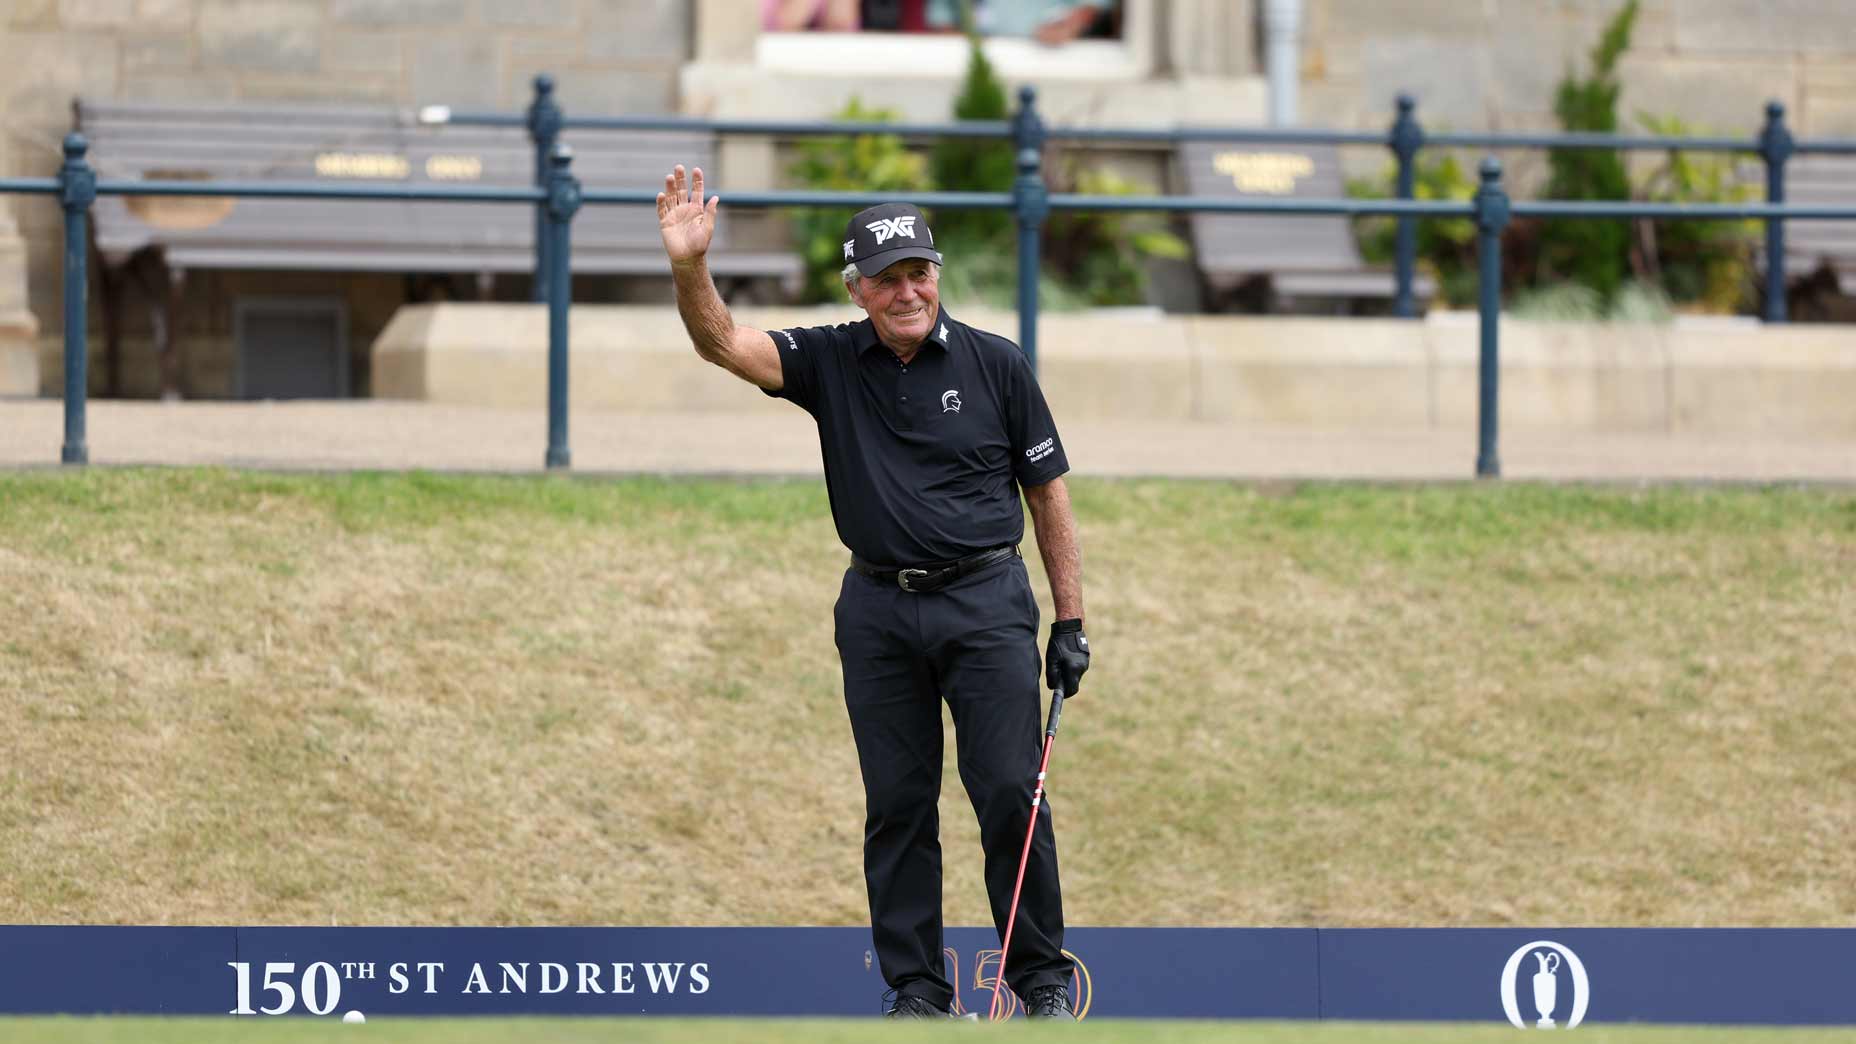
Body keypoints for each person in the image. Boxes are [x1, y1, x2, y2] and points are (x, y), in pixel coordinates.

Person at [655, 165, 1091, 1020]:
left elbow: (1050, 496)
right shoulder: (826, 360)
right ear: (857, 289)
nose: (907, 291)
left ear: (937, 274)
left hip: (987, 603)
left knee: (1009, 789)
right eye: (886, 278)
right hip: (879, 611)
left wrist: (1069, 621)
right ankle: (919, 991)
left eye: (919, 272)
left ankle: (1039, 980)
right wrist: (689, 268)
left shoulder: (997, 366)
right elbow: (724, 343)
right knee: (897, 804)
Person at [926, 0, 1113, 44]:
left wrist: (1068, 26)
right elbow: (944, 23)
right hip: (981, 70)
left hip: (1052, 62)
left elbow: (1091, 7)